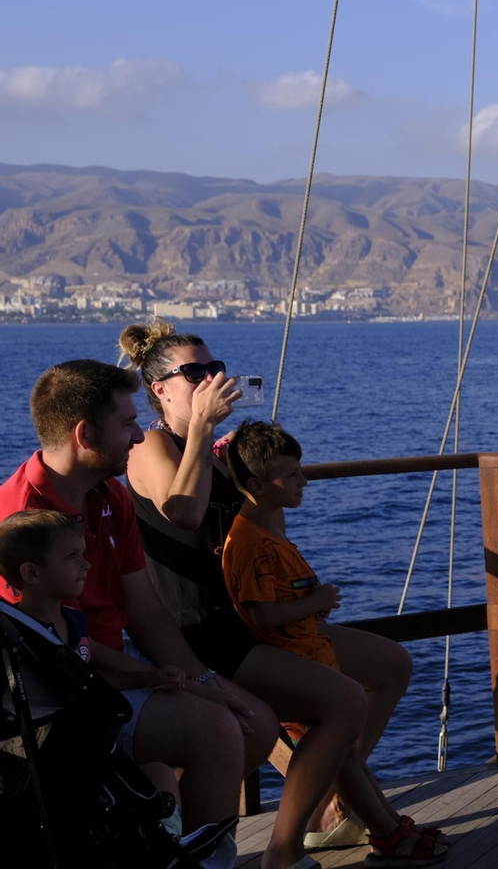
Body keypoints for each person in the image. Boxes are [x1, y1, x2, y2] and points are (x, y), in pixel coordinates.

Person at [118, 319, 406, 851]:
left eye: (216, 368)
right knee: (339, 702)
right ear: (160, 390)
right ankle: (292, 842)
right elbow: (182, 512)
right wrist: (202, 435)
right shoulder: (150, 448)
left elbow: (263, 531)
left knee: (390, 666)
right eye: (195, 372)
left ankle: (326, 796)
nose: (211, 378)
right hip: (202, 632)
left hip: (254, 616)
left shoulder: (223, 455)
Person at [0, 360, 277, 864]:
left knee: (254, 722)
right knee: (215, 732)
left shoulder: (113, 500)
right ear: (85, 434)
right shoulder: (19, 521)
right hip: (69, 699)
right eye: (128, 424)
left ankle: (170, 845)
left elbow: (147, 614)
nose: (137, 437)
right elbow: (47, 650)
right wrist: (151, 677)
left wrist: (205, 681)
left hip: (118, 679)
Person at [222, 420, 448, 869]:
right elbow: (262, 615)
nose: (304, 481)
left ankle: (385, 829)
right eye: (292, 476)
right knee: (339, 738)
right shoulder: (251, 543)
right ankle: (384, 833)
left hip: (308, 648)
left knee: (345, 742)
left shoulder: (265, 528)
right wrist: (316, 602)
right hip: (293, 656)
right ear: (256, 485)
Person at [0, 508, 189, 837]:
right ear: (31, 573)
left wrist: (148, 678)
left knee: (159, 770)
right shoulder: (19, 639)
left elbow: (87, 681)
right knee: (158, 774)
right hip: (63, 762)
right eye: (73, 556)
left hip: (86, 750)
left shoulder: (73, 623)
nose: (86, 565)